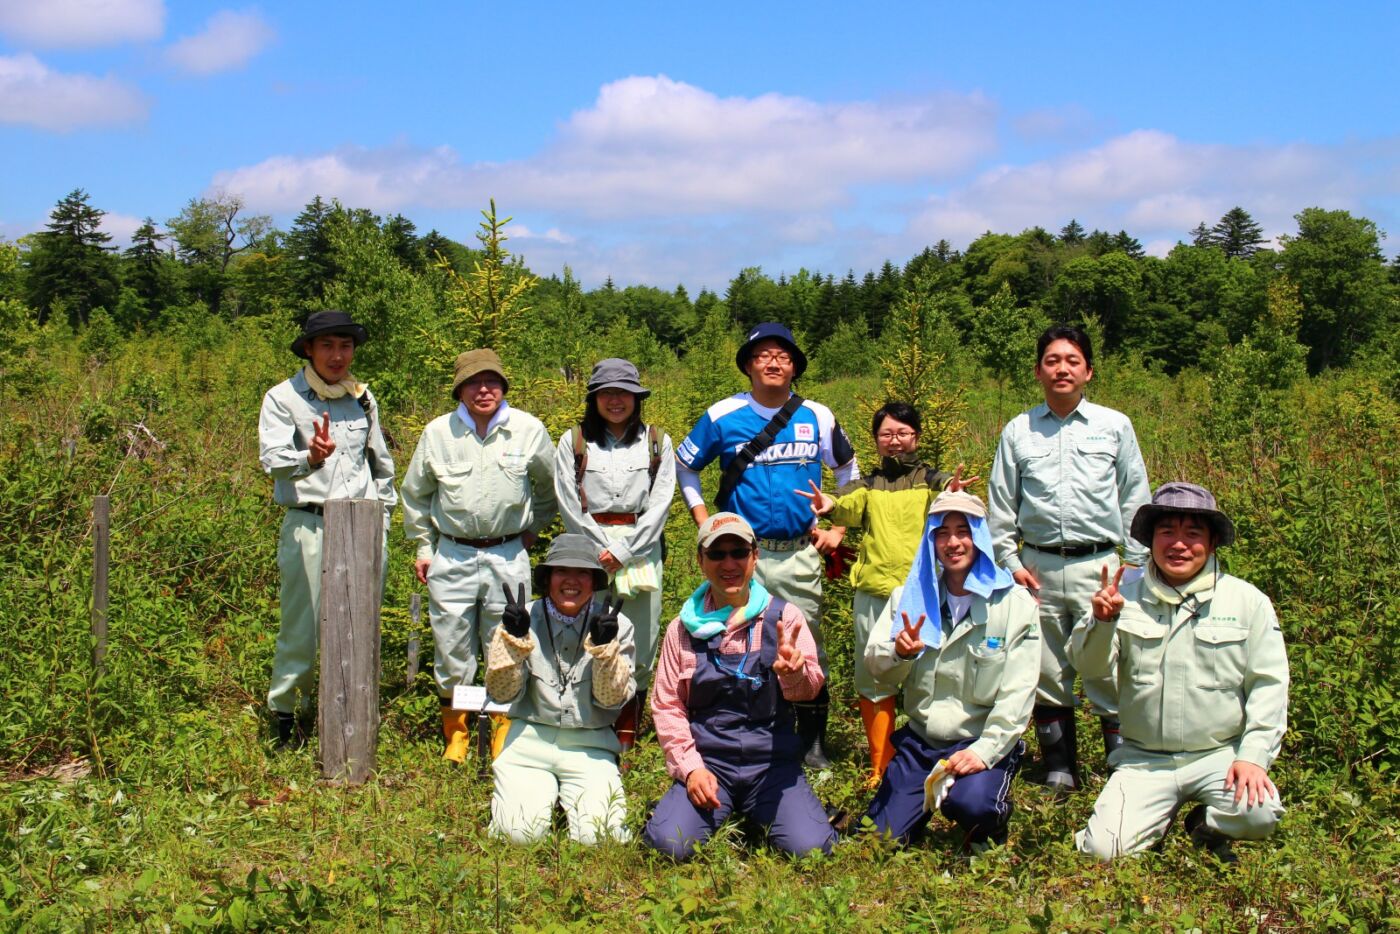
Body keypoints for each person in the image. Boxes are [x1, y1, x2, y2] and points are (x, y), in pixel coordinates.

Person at [1069, 482, 1288, 862]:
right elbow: (1087, 667)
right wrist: (1102, 622)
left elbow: (1269, 685)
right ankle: (1155, 814)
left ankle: (1205, 824)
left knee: (1259, 813)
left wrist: (1252, 756)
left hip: (1219, 754)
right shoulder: (1122, 596)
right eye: (1167, 531)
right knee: (1102, 853)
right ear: (1150, 540)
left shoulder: (1247, 601)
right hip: (1143, 757)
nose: (1179, 544)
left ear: (1213, 542)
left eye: (1193, 533)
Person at [676, 322, 859, 766]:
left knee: (805, 641)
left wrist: (840, 528)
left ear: (795, 366)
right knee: (735, 641)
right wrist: (705, 521)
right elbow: (686, 469)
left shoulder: (818, 415)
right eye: (763, 355)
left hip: (799, 553)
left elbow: (849, 472)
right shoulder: (721, 416)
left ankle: (811, 742)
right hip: (740, 557)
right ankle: (736, 732)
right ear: (748, 366)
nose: (774, 362)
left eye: (784, 355)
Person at [987, 324, 1151, 793]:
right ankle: (1060, 767)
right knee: (1046, 668)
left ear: (1089, 372)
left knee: (1110, 663)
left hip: (1101, 566)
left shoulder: (1114, 425)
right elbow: (1002, 504)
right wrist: (1009, 561)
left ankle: (1124, 767)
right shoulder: (1018, 430)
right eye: (1053, 360)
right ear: (1039, 371)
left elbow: (1135, 496)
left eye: (1072, 361)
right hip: (1036, 567)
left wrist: (1136, 564)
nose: (1062, 368)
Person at [797, 401, 978, 787]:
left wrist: (955, 492)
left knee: (928, 676)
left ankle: (930, 758)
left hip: (924, 594)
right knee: (873, 677)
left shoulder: (931, 481)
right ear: (876, 441)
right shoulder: (868, 485)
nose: (894, 442)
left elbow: (950, 496)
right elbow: (845, 504)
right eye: (886, 434)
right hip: (874, 594)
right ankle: (880, 766)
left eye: (903, 433)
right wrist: (828, 505)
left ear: (916, 437)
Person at [644, 512, 836, 861]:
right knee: (668, 846)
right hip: (710, 762)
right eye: (716, 554)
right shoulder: (681, 629)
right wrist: (690, 769)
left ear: (755, 556)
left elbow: (809, 691)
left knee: (813, 849)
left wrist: (793, 673)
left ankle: (768, 810)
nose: (728, 563)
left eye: (739, 552)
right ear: (700, 561)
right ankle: (701, 809)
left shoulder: (785, 619)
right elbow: (668, 705)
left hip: (772, 765)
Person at [401, 349, 557, 762]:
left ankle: (503, 731)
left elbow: (549, 489)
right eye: (473, 382)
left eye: (491, 381)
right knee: (451, 646)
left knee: (508, 643)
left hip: (509, 555)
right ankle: (458, 734)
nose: (483, 389)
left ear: (503, 386)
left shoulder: (528, 429)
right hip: (451, 555)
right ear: (460, 389)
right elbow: (415, 496)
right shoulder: (437, 433)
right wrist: (423, 546)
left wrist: (530, 533)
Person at [862, 491, 1039, 852]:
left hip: (979, 739)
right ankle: (917, 800)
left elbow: (1018, 693)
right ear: (930, 540)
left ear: (981, 537)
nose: (952, 542)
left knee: (973, 804)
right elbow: (877, 671)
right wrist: (899, 653)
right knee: (880, 840)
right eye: (941, 533)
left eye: (963, 530)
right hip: (922, 740)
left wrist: (985, 751)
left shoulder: (1014, 604)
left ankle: (991, 819)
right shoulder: (907, 599)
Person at [258, 310, 397, 750]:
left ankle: (355, 715)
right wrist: (311, 458)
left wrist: (384, 520)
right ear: (308, 350)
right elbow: (272, 461)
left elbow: (381, 466)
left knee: (361, 624)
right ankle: (288, 721)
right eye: (327, 346)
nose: (338, 356)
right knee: (303, 627)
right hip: (311, 524)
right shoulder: (284, 398)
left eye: (346, 346)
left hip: (363, 526)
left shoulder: (363, 397)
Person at [554, 358, 675, 756]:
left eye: (624, 392)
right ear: (594, 398)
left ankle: (626, 735)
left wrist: (623, 550)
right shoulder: (573, 441)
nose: (616, 400)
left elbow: (660, 503)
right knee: (588, 634)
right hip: (588, 551)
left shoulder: (657, 442)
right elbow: (569, 502)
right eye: (607, 393)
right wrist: (598, 550)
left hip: (641, 550)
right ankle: (587, 725)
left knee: (639, 639)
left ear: (637, 398)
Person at [484, 534, 635, 844]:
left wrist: (605, 648)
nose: (572, 580)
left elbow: (611, 701)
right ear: (548, 578)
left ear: (594, 580)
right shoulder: (518, 618)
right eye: (561, 571)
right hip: (529, 739)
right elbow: (502, 695)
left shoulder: (618, 624)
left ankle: (567, 800)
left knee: (602, 838)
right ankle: (538, 799)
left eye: (582, 572)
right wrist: (513, 643)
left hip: (590, 744)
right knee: (518, 836)